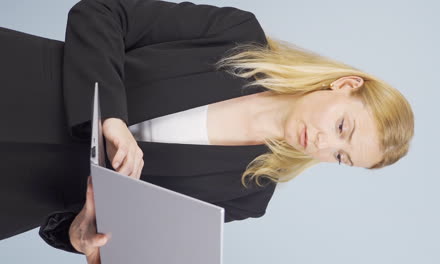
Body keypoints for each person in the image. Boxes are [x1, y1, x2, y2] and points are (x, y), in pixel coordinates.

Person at [0, 0, 414, 262]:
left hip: (16, 197)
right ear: (344, 84)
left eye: (341, 156)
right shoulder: (237, 35)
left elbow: (103, 233)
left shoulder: (248, 197)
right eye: (343, 126)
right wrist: (111, 117)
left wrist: (78, 238)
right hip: (16, 80)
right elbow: (103, 12)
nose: (325, 145)